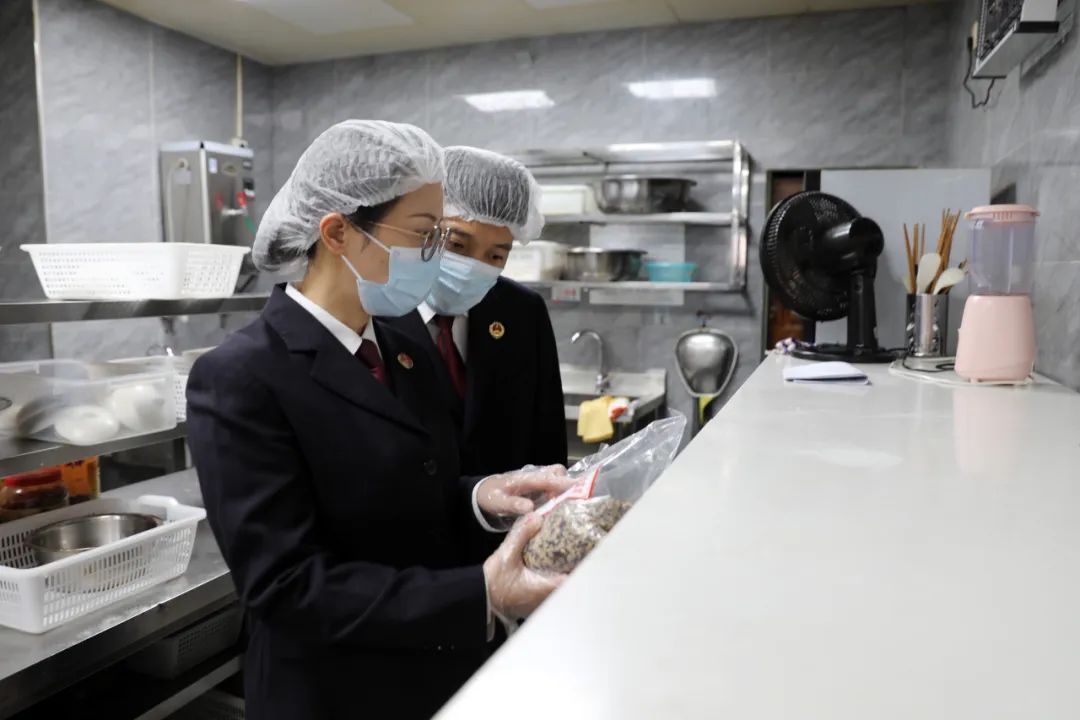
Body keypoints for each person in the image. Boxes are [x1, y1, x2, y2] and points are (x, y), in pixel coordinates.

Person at [185, 121, 570, 720]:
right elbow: (286, 586)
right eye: (424, 235)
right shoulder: (242, 375)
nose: (437, 256)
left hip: (432, 675)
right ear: (338, 232)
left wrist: (480, 496)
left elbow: (417, 488)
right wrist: (479, 591)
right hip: (334, 692)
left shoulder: (399, 347)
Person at [387, 146, 567, 485]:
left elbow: (547, 435)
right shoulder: (379, 306)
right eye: (457, 245)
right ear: (425, 227)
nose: (473, 267)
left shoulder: (522, 311)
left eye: (496, 256)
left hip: (510, 513)